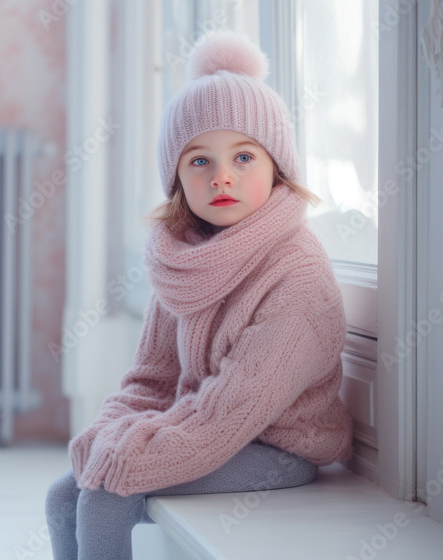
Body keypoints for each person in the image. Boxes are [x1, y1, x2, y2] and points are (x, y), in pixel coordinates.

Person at [44, 30, 354, 559]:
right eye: (199, 161)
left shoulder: (297, 273)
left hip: (276, 447)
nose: (221, 177)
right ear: (177, 179)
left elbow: (233, 411)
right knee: (63, 496)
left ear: (277, 166)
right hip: (202, 424)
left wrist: (130, 458)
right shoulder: (184, 258)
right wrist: (106, 434)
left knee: (105, 498)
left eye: (244, 157)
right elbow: (150, 379)